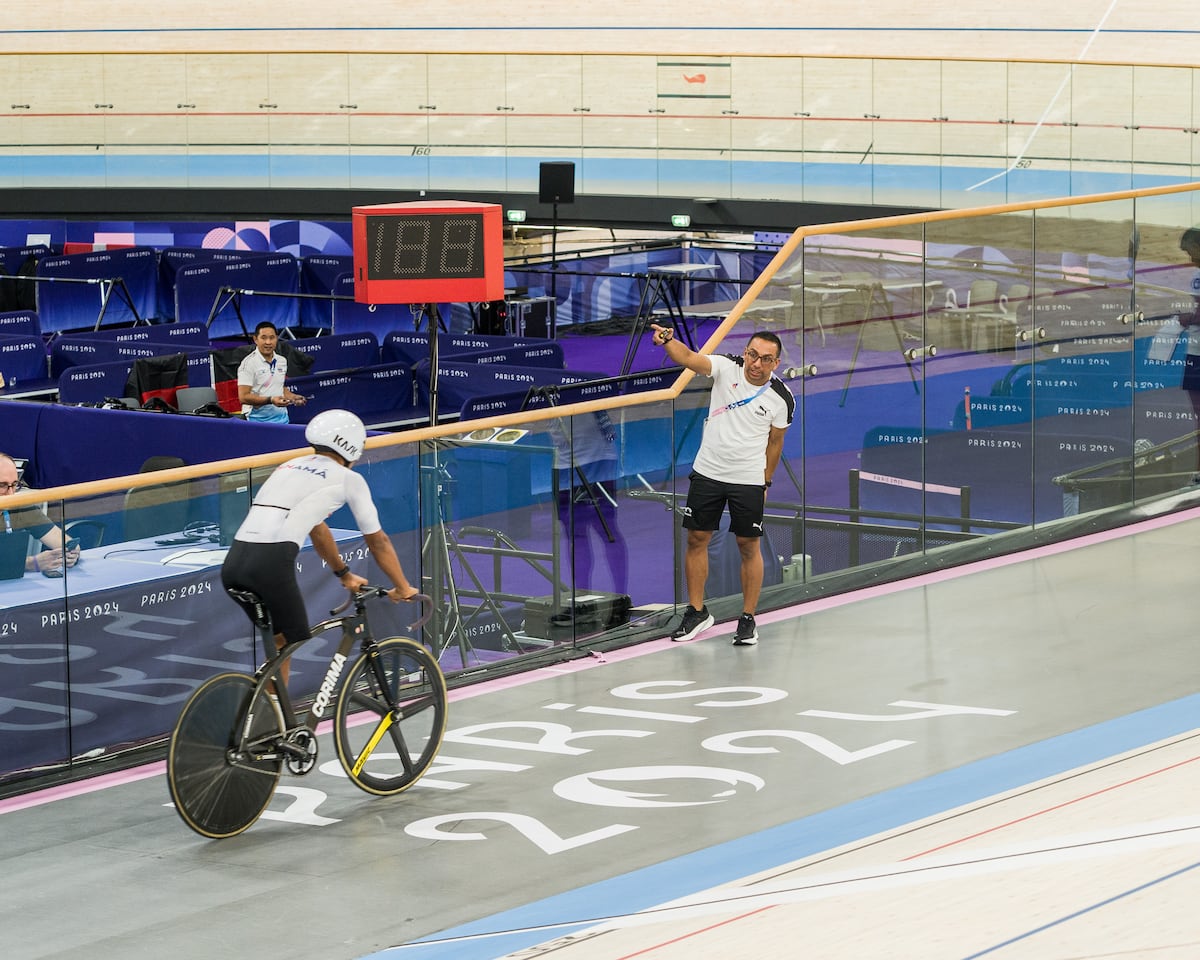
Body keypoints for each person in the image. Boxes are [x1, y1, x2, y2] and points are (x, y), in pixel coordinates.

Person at [220, 410, 418, 686]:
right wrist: (402, 586)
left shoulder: (290, 465)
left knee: (279, 641)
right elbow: (378, 541)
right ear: (351, 446)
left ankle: (270, 718)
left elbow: (317, 528)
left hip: (233, 565)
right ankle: (271, 720)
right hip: (270, 564)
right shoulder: (349, 479)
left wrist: (344, 574)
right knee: (291, 640)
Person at [651, 323, 795, 646]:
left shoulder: (781, 398)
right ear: (745, 353)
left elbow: (775, 443)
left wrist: (765, 480)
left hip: (747, 481)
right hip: (707, 473)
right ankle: (697, 612)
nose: (756, 364)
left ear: (776, 364)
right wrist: (667, 342)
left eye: (765, 359)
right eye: (752, 355)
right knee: (697, 539)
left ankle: (747, 619)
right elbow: (689, 358)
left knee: (748, 546)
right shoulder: (725, 367)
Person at [0, 452, 81, 575]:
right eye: (2, 485)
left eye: (15, 484)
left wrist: (70, 553)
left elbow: (64, 542)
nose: (11, 494)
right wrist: (30, 564)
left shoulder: (19, 507)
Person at [238, 320, 307, 422]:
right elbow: (243, 397)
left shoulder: (282, 361)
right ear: (255, 339)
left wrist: (293, 397)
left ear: (277, 338)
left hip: (282, 420)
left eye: (272, 338)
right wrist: (270, 400)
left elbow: (278, 387)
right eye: (264, 338)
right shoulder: (248, 364)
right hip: (256, 421)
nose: (268, 342)